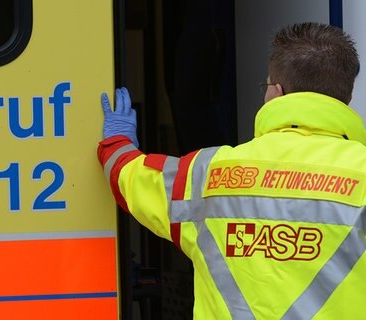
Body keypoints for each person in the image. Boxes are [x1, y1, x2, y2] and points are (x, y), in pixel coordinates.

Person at [98, 22, 366, 319]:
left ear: (276, 92)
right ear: (346, 99)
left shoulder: (205, 174)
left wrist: (117, 142)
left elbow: (128, 177)